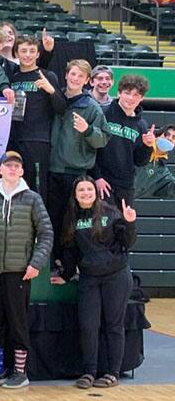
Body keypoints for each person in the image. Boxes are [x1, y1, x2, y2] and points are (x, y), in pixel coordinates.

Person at [0, 151, 53, 389]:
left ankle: (20, 372)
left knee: (18, 323)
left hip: (19, 272)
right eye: (8, 166)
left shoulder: (33, 199)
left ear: (22, 171)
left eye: (17, 166)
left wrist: (36, 263)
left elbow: (46, 233)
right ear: (0, 170)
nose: (13, 169)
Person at [51, 176, 137, 389]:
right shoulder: (71, 218)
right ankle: (89, 372)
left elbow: (127, 242)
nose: (86, 193)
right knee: (88, 326)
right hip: (89, 278)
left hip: (116, 275)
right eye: (81, 190)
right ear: (75, 194)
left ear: (95, 192)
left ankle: (112, 373)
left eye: (89, 189)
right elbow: (70, 250)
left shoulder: (111, 212)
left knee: (114, 325)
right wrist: (67, 275)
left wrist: (130, 223)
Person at [48, 60, 110, 271]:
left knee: (71, 222)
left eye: (80, 76)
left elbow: (103, 140)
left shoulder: (91, 107)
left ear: (87, 81)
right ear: (66, 75)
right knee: (51, 220)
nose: (75, 78)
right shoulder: (54, 98)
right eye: (72, 74)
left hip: (75, 173)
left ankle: (70, 266)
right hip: (51, 169)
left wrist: (88, 130)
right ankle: (53, 262)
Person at [6, 35, 64, 204]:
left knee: (37, 189)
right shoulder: (12, 78)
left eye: (32, 51)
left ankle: (40, 229)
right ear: (16, 53)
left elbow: (61, 109)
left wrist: (51, 90)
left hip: (37, 141)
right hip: (14, 139)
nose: (28, 55)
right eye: (23, 51)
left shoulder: (47, 76)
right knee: (14, 187)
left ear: (38, 54)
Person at [91, 74, 154, 209]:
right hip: (102, 183)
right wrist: (97, 177)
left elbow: (140, 161)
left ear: (142, 98)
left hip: (126, 187)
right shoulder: (103, 114)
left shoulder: (141, 125)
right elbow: (89, 147)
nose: (131, 98)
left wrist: (147, 146)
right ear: (119, 93)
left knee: (126, 228)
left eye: (136, 95)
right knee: (103, 228)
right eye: (127, 93)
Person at [135, 124, 175, 199]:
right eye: (167, 134)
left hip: (123, 202)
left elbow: (171, 187)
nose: (169, 138)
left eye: (174, 137)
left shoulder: (161, 171)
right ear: (158, 135)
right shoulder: (140, 146)